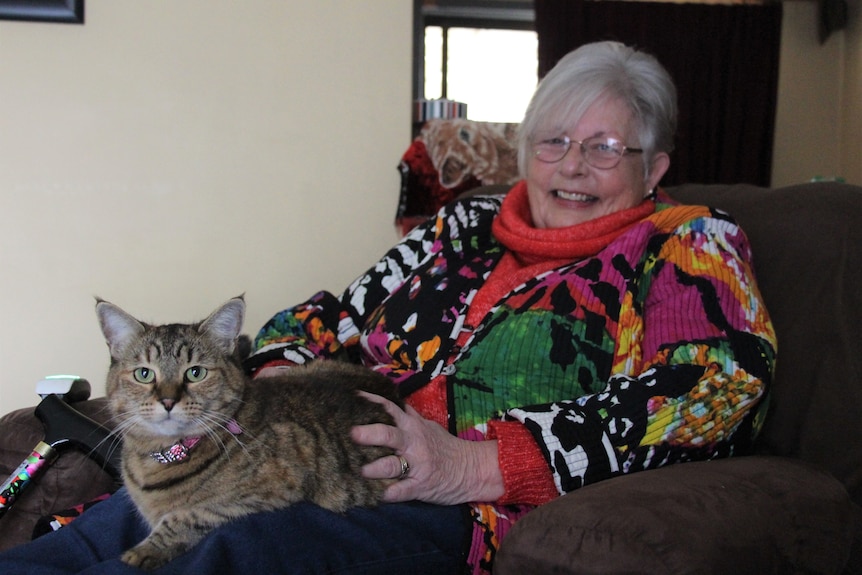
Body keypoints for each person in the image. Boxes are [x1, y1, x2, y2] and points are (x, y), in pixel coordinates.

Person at [0, 41, 776, 574]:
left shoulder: (687, 245)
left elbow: (712, 391)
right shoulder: (462, 225)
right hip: (320, 453)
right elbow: (336, 314)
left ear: (656, 165)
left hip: (454, 505)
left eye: (606, 148)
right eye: (553, 141)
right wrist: (249, 396)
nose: (572, 166)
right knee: (102, 529)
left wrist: (480, 462)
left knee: (240, 550)